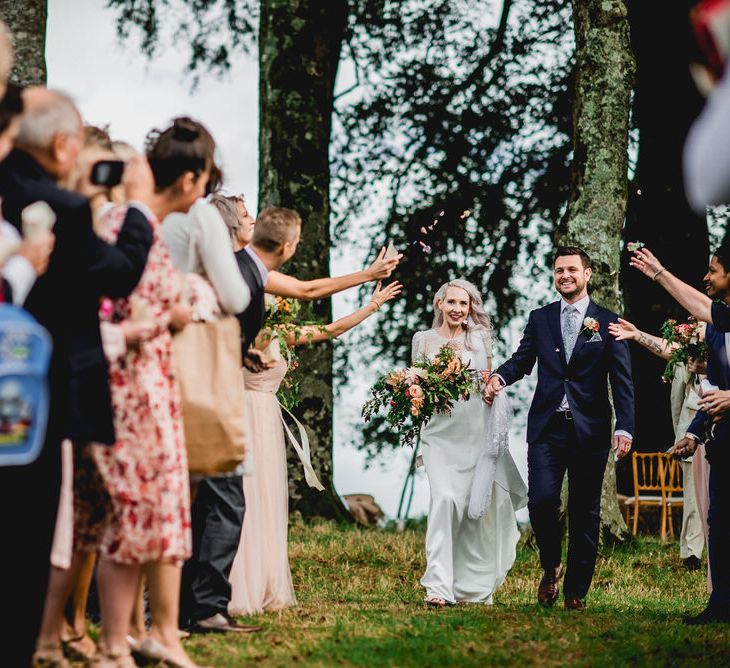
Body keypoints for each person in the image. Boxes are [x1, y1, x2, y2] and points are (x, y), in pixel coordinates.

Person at [0, 87, 154, 665]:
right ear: (64, 143)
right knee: (28, 536)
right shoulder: (60, 208)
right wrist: (137, 208)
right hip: (38, 394)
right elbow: (118, 275)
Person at [229, 279, 402, 615]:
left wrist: (373, 305)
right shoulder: (237, 334)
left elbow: (332, 329)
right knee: (243, 496)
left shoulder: (280, 334)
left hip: (266, 418)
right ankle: (236, 584)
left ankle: (262, 581)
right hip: (240, 414)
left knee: (264, 498)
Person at [485, 246, 634, 611]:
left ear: (587, 274)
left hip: (592, 429)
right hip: (547, 427)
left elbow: (622, 380)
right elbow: (523, 359)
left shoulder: (608, 321)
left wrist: (625, 426)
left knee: (586, 511)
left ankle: (575, 592)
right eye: (558, 270)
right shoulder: (541, 318)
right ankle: (551, 564)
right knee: (542, 501)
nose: (564, 275)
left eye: (571, 269)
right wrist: (499, 376)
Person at [411, 279, 526, 607]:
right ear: (440, 305)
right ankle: (438, 586)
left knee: (475, 511)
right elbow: (417, 385)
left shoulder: (481, 339)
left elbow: (490, 381)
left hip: (475, 431)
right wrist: (412, 392)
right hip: (439, 434)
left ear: (470, 308)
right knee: (445, 500)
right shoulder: (423, 340)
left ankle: (471, 585)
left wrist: (492, 388)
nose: (458, 309)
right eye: (452, 303)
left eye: (464, 304)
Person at [630, 244, 730, 624]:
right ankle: (720, 604)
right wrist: (695, 433)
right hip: (723, 441)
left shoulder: (715, 319)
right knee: (719, 522)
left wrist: (658, 272)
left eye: (714, 270)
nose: (706, 277)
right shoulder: (719, 331)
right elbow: (714, 390)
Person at [608, 318, 707, 570]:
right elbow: (671, 352)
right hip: (692, 425)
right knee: (693, 495)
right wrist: (638, 333)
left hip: (713, 418)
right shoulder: (690, 355)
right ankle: (691, 555)